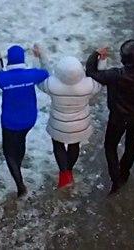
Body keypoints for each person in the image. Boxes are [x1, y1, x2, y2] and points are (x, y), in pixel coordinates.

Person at [85, 39, 134, 195]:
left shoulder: (116, 75)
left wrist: (96, 53)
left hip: (118, 117)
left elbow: (91, 72)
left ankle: (115, 178)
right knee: (132, 144)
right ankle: (125, 173)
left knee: (110, 146)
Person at [38, 53, 102, 189]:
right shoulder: (89, 85)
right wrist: (102, 60)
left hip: (58, 125)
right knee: (74, 145)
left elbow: (41, 79)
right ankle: (69, 171)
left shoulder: (51, 85)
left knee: (58, 145)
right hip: (79, 125)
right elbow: (100, 82)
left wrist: (42, 57)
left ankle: (63, 174)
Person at [0, 44, 49, 196]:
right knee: (20, 141)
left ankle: (20, 186)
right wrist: (40, 56)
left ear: (9, 61)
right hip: (29, 119)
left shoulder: (3, 78)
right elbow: (46, 72)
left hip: (10, 122)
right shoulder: (31, 75)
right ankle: (18, 165)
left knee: (8, 152)